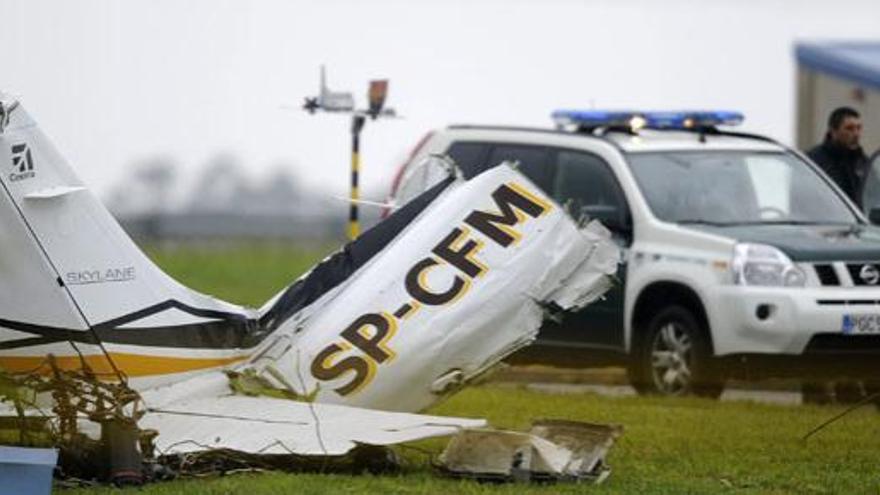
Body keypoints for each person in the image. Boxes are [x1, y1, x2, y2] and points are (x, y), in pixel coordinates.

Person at [806, 107, 869, 208]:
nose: (856, 134)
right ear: (833, 131)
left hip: (859, 222)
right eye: (849, 128)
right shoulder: (813, 161)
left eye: (859, 128)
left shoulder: (863, 162)